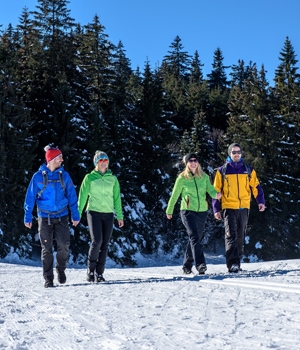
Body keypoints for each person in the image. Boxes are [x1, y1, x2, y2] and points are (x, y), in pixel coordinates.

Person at [24, 145, 80, 288]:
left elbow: (72, 196)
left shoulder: (64, 176)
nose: (62, 159)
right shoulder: (38, 177)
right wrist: (28, 216)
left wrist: (75, 214)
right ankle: (48, 279)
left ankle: (60, 270)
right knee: (46, 248)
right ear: (52, 159)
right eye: (59, 156)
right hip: (44, 216)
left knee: (64, 245)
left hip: (62, 216)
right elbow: (30, 197)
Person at [212, 143, 265, 273]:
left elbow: (256, 187)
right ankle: (232, 264)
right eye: (233, 152)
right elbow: (216, 191)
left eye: (238, 152)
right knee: (231, 235)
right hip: (228, 206)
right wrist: (216, 209)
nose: (236, 154)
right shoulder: (222, 170)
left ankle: (237, 261)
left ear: (241, 153)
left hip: (243, 207)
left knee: (240, 236)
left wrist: (260, 201)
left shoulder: (248, 169)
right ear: (229, 153)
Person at [166, 153, 221, 275]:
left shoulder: (204, 177)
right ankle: (200, 264)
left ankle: (187, 265)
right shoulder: (182, 178)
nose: (193, 163)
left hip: (202, 211)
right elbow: (175, 195)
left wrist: (215, 194)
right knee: (195, 237)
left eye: (195, 160)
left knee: (195, 238)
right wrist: (169, 210)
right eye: (190, 161)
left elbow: (210, 190)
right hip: (187, 211)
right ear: (186, 163)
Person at [78, 151, 124, 283]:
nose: (103, 162)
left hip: (108, 214)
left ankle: (99, 273)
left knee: (105, 243)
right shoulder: (89, 178)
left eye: (105, 160)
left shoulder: (113, 179)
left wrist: (119, 216)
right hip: (93, 212)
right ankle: (90, 270)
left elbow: (116, 198)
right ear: (96, 163)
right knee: (96, 241)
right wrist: (78, 214)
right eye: (100, 160)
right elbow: (83, 197)